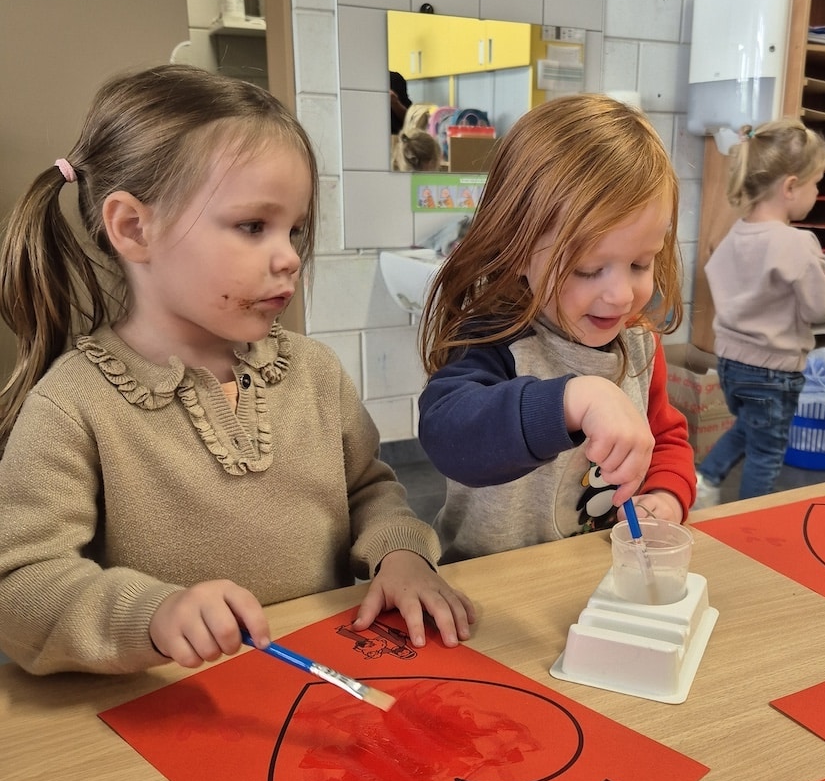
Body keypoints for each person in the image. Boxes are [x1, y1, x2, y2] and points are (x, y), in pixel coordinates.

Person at [0, 65, 473, 676]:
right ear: (134, 228)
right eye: (253, 226)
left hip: (317, 682)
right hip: (171, 705)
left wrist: (401, 553)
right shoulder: (73, 405)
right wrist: (151, 615)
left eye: (294, 230)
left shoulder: (314, 372)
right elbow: (21, 584)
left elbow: (370, 492)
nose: (289, 258)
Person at [417, 93, 696, 563]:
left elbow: (665, 439)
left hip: (593, 570)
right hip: (490, 580)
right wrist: (571, 401)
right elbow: (448, 435)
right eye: (588, 269)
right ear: (517, 249)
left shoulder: (638, 343)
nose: (621, 296)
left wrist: (665, 496)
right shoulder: (494, 339)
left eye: (640, 264)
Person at [694, 117, 825, 506]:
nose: (817, 192)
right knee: (767, 450)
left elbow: (722, 278)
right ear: (790, 187)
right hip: (773, 370)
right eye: (816, 184)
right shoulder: (796, 243)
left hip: (730, 364)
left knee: (749, 428)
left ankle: (704, 481)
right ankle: (751, 518)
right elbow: (819, 307)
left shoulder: (735, 233)